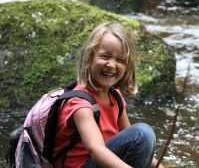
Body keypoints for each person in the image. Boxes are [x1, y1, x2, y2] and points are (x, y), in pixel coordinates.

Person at [53, 22, 164, 168]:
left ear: (127, 66)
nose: (111, 64)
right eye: (105, 56)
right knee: (142, 133)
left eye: (120, 60)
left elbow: (137, 143)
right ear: (89, 58)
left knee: (142, 135)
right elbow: (96, 150)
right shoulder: (80, 104)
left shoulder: (115, 96)